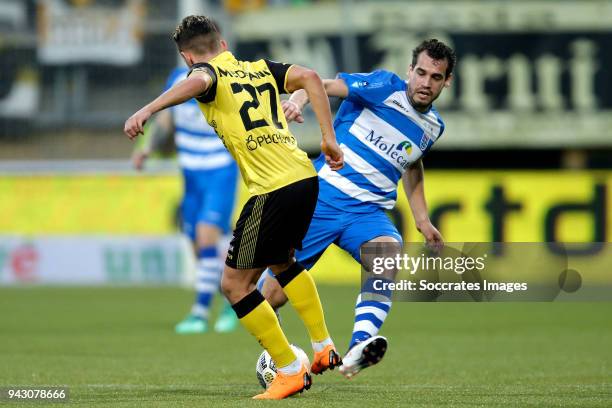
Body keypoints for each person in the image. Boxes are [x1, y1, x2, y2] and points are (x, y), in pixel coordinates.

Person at [124, 15, 344, 400]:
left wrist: (148, 109)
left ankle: (290, 370)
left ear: (187, 57)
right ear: (223, 43)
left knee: (234, 285)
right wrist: (328, 139)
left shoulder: (206, 75)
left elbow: (199, 82)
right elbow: (310, 76)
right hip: (305, 177)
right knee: (283, 263)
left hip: (272, 188)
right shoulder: (260, 70)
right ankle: (322, 345)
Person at [260, 39, 455, 378]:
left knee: (387, 255)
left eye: (435, 77)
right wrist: (298, 98)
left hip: (367, 214)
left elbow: (412, 164)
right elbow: (319, 82)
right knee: (271, 295)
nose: (425, 83)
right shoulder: (382, 87)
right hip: (322, 199)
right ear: (409, 71)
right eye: (420, 73)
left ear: (446, 82)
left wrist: (422, 219)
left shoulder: (433, 127)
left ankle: (357, 349)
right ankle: (278, 359)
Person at [132, 65, 239, 335]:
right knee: (199, 246)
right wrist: (147, 149)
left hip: (220, 170)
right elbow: (166, 121)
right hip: (191, 174)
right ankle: (235, 300)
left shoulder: (222, 78)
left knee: (206, 237)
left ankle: (199, 313)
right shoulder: (177, 79)